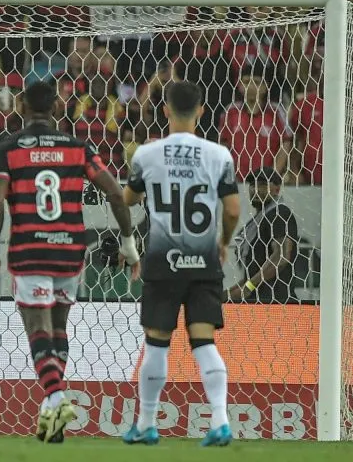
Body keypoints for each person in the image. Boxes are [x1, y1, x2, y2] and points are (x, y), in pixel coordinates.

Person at [0, 79, 139, 443]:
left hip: (30, 252)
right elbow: (116, 193)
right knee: (58, 330)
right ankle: (51, 415)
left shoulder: (8, 149)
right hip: (70, 252)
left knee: (37, 330)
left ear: (22, 107)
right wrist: (128, 242)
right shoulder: (78, 148)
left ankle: (55, 397)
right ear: (56, 107)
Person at [121, 81, 241, 447]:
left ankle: (146, 423)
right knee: (204, 341)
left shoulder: (147, 154)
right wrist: (223, 242)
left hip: (163, 262)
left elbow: (127, 199)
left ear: (166, 110)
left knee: (157, 344)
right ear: (201, 111)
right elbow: (232, 210)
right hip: (204, 262)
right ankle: (220, 421)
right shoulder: (219, 155)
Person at [230, 166, 299, 304]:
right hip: (260, 300)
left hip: (276, 302)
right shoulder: (258, 220)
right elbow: (253, 273)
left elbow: (281, 257)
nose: (255, 190)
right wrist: (230, 292)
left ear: (277, 189)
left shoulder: (280, 214)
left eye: (262, 185)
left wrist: (248, 287)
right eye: (252, 185)